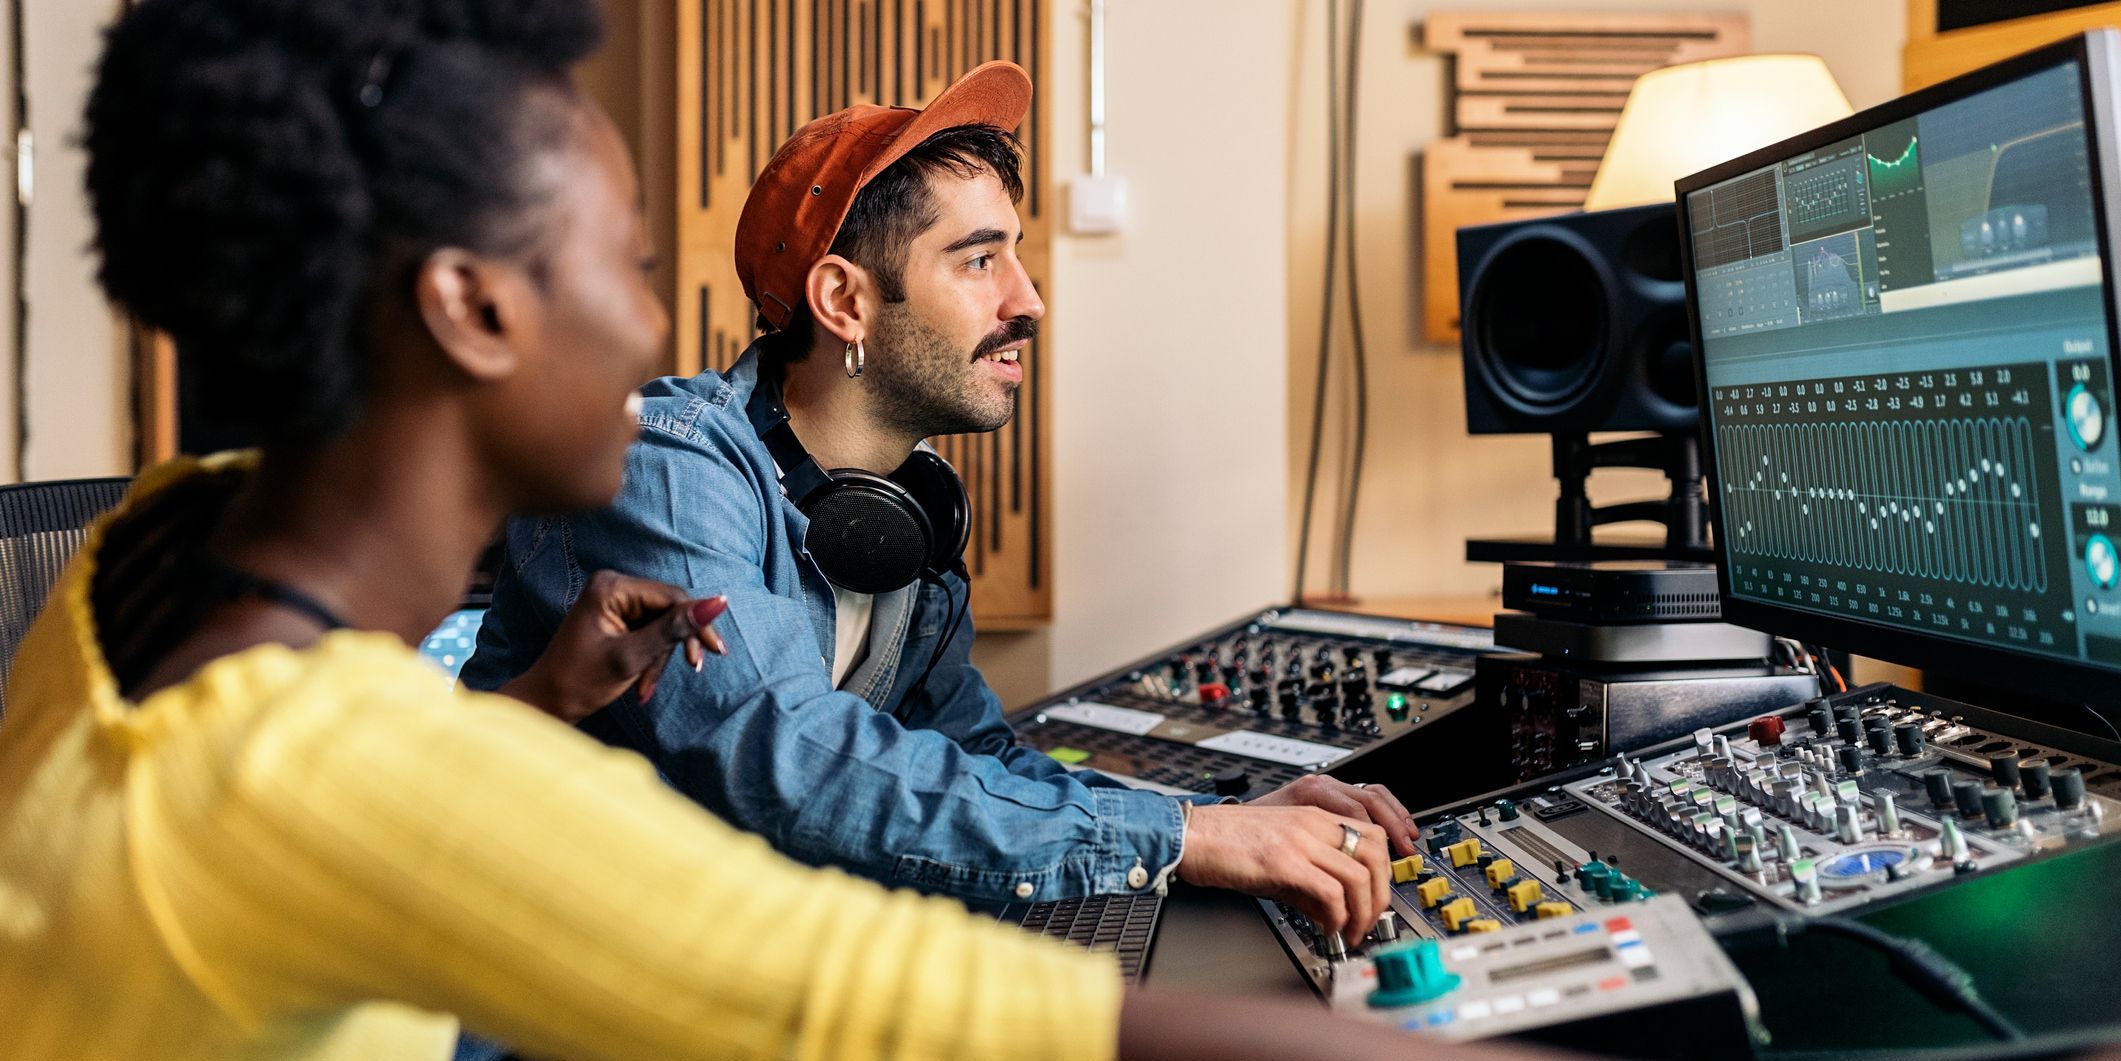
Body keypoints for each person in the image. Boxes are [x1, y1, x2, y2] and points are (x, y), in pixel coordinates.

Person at [0, 1, 1551, 1059]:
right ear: (472, 309)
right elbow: (833, 975)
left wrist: (528, 706)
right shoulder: (323, 764)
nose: (648, 332)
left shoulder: (141, 584)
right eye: (619, 261)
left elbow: (967, 761)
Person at [464, 61, 1418, 946]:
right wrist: (1182, 838)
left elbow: (975, 756)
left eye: (1016, 258)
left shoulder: (907, 512)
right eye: (977, 260)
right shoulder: (669, 465)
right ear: (844, 301)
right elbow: (791, 761)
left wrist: (1218, 821)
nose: (1028, 301)